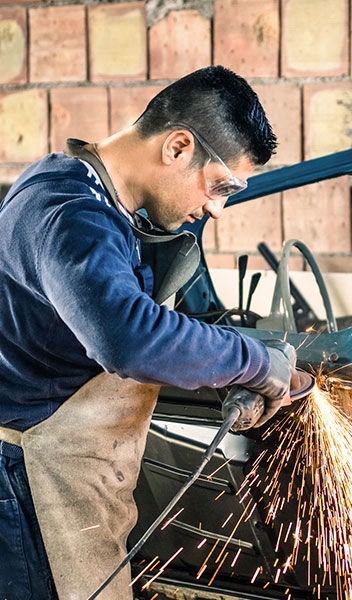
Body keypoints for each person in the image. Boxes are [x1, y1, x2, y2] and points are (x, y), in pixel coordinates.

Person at [0, 66, 298, 599]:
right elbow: (128, 339)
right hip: (27, 487)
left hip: (58, 477)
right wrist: (253, 361)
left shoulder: (103, 205)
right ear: (178, 146)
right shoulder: (67, 212)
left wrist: (220, 362)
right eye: (220, 185)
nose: (216, 208)